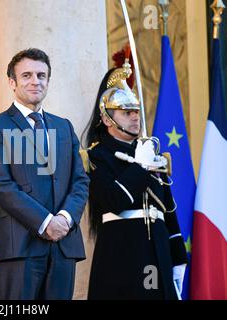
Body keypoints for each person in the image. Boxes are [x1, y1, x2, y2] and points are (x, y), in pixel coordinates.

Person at [0, 48, 89, 300]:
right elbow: (0, 185)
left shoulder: (63, 126)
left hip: (64, 246)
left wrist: (64, 219)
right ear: (12, 82)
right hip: (20, 247)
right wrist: (45, 222)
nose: (35, 81)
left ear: (48, 81)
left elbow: (80, 180)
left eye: (41, 75)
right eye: (26, 75)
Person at [82, 61, 188, 300]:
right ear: (108, 119)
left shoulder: (150, 152)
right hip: (123, 251)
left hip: (158, 250)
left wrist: (178, 255)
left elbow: (167, 209)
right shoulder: (96, 156)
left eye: (136, 111)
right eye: (126, 112)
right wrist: (140, 167)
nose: (134, 117)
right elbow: (113, 200)